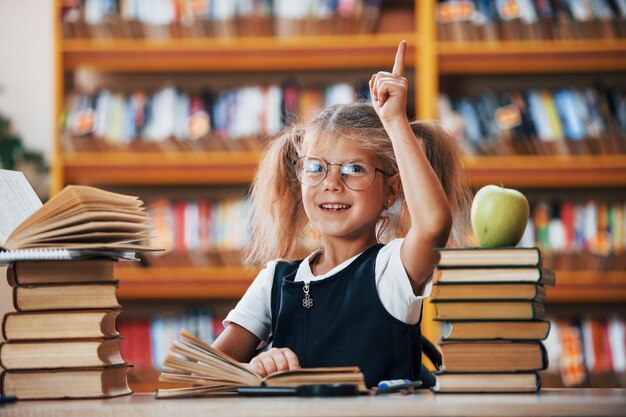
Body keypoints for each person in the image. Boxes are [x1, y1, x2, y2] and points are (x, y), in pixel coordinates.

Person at [212, 41, 471, 388]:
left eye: (354, 169)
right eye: (316, 168)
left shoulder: (391, 270)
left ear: (392, 190)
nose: (332, 184)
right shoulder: (275, 279)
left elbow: (433, 225)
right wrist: (253, 369)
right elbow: (204, 374)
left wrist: (395, 122)